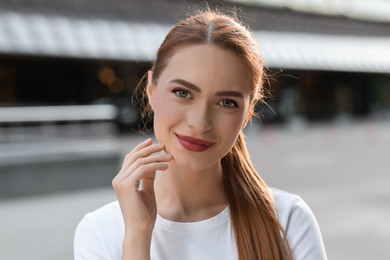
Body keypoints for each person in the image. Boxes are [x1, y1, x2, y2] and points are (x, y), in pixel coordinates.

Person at [74, 7, 327, 260]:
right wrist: (138, 235)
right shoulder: (100, 231)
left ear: (248, 112)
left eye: (227, 102)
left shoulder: (288, 221)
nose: (200, 122)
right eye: (183, 93)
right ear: (151, 89)